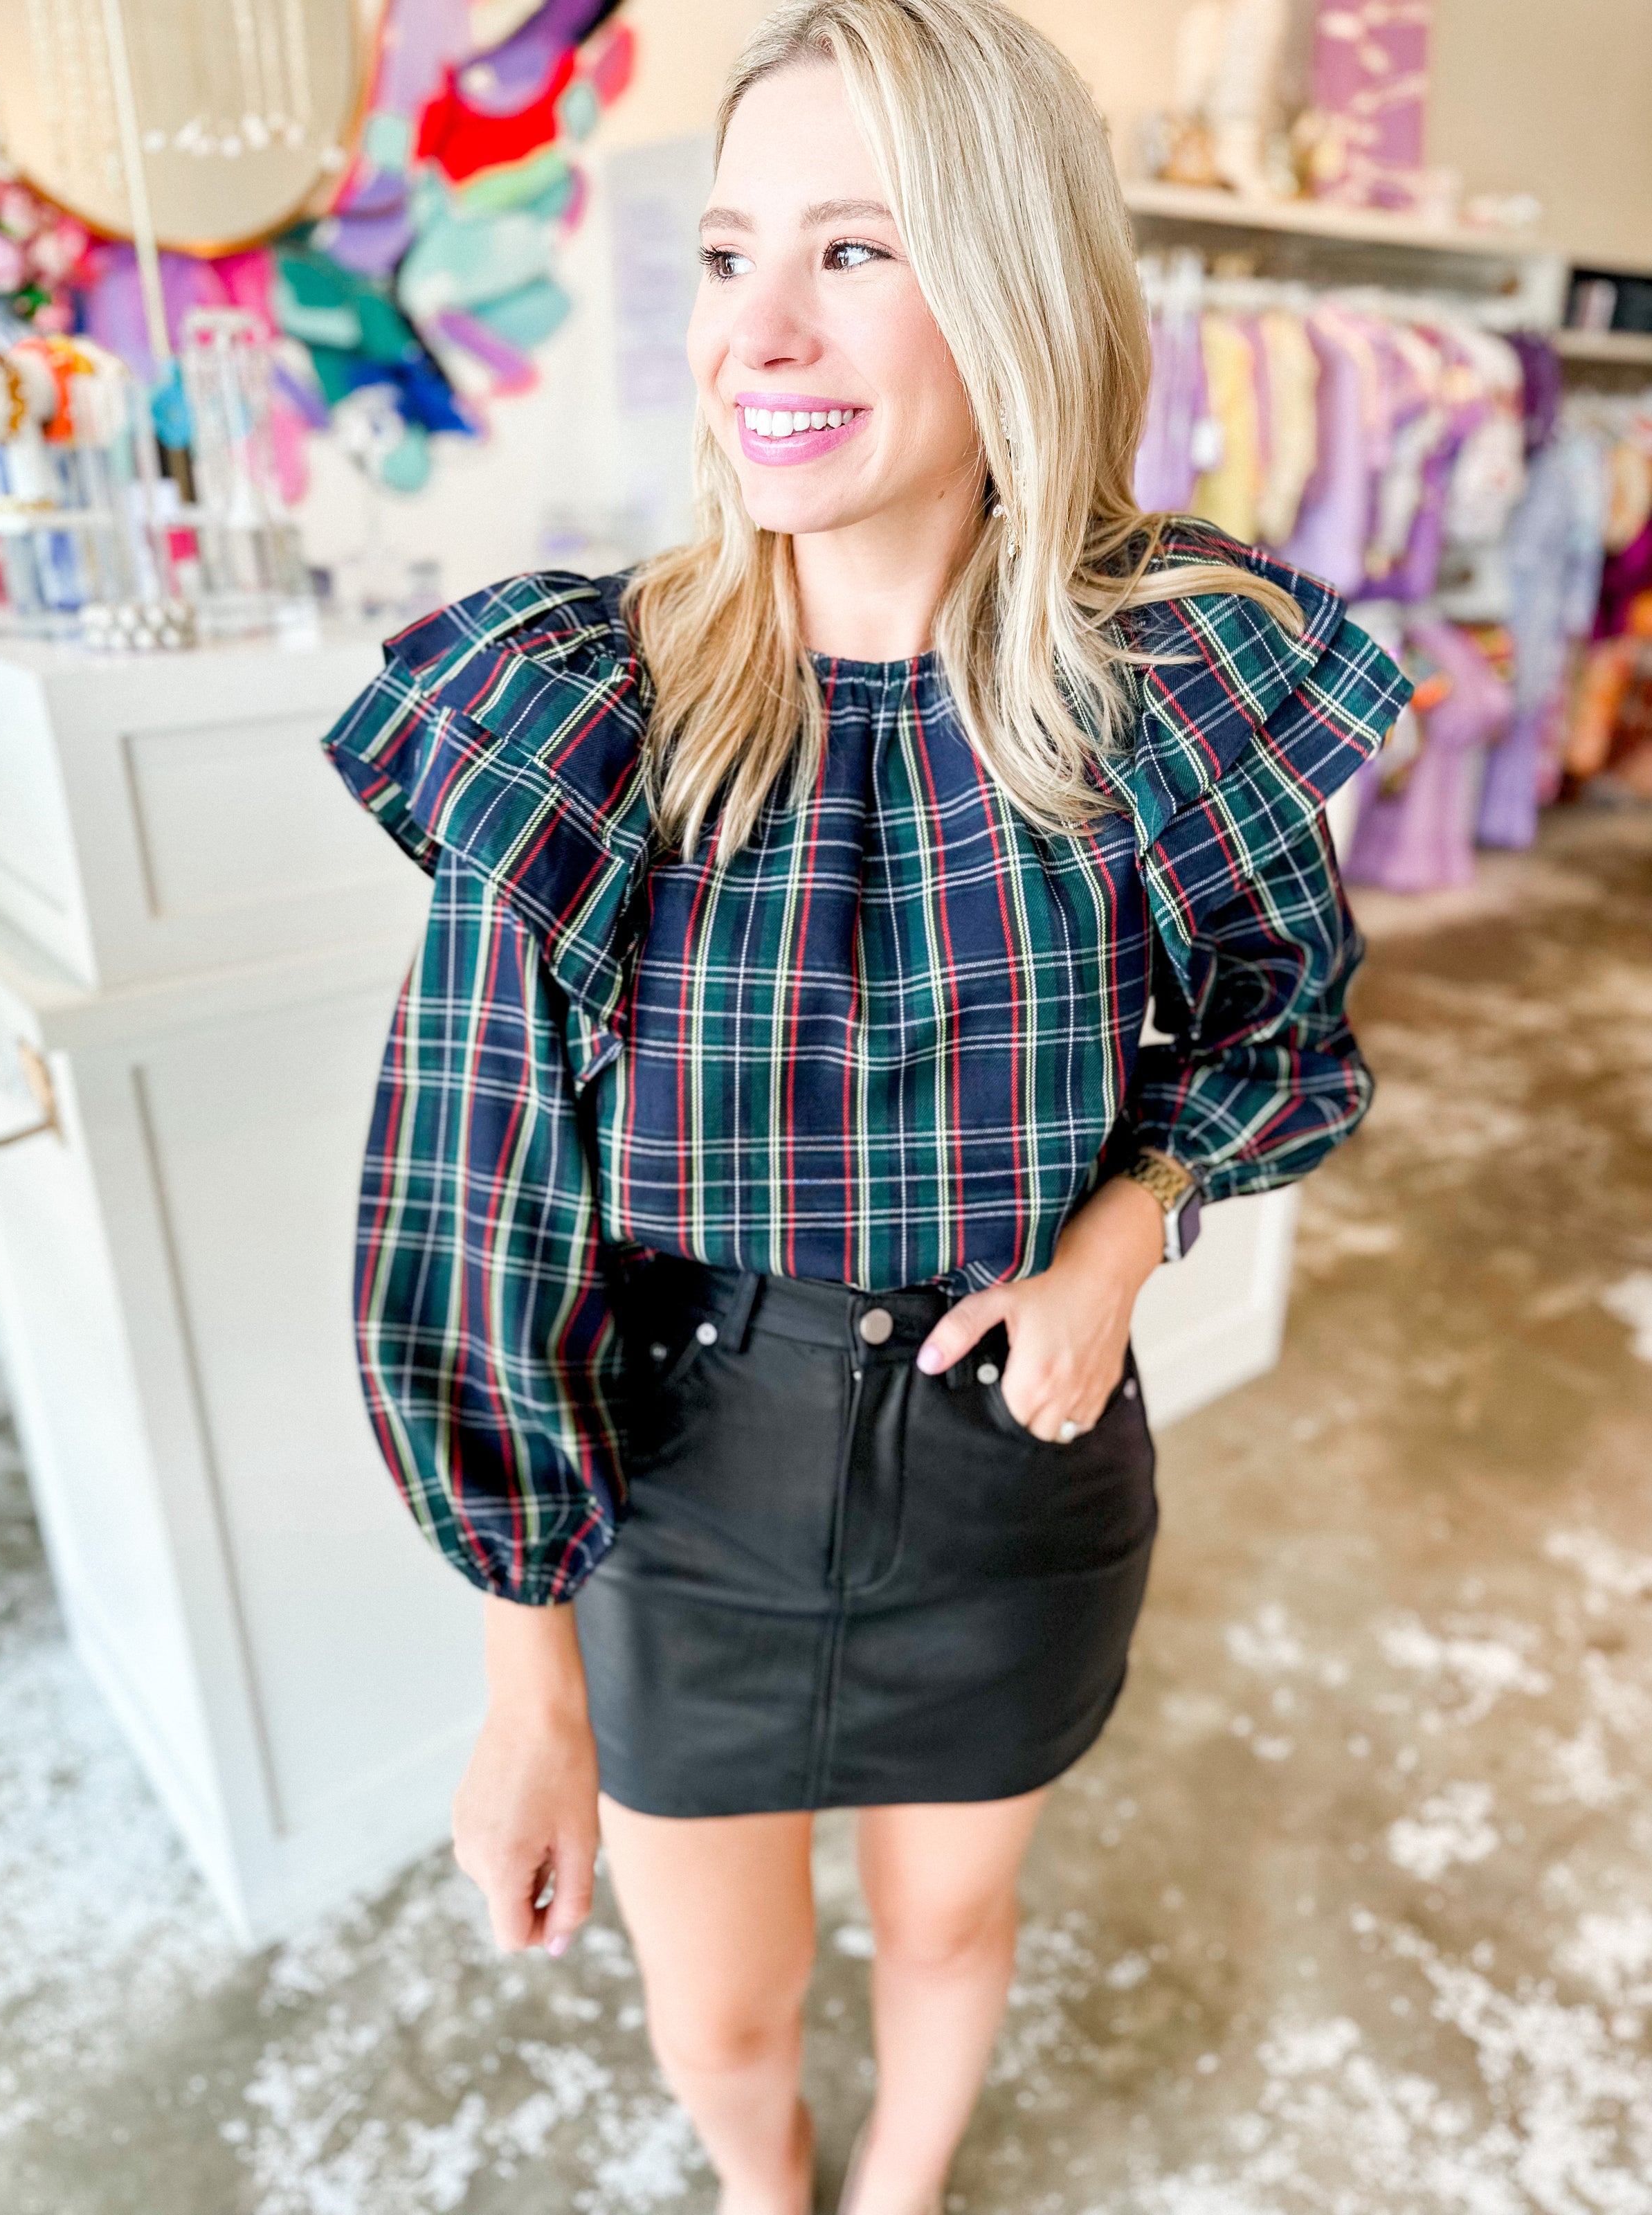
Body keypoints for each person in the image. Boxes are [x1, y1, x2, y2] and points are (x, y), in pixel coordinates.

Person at [320, 3, 1409, 2209]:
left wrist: (1120, 1239)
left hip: (1012, 1472)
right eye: (731, 256)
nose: (758, 333)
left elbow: (1284, 1034)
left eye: (854, 251)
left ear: (1012, 291)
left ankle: (897, 2194)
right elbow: (475, 1221)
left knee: (950, 1925)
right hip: (679, 1484)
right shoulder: (583, 709)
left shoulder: (1160, 687)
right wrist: (529, 1688)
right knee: (713, 2022)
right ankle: (773, 2184)